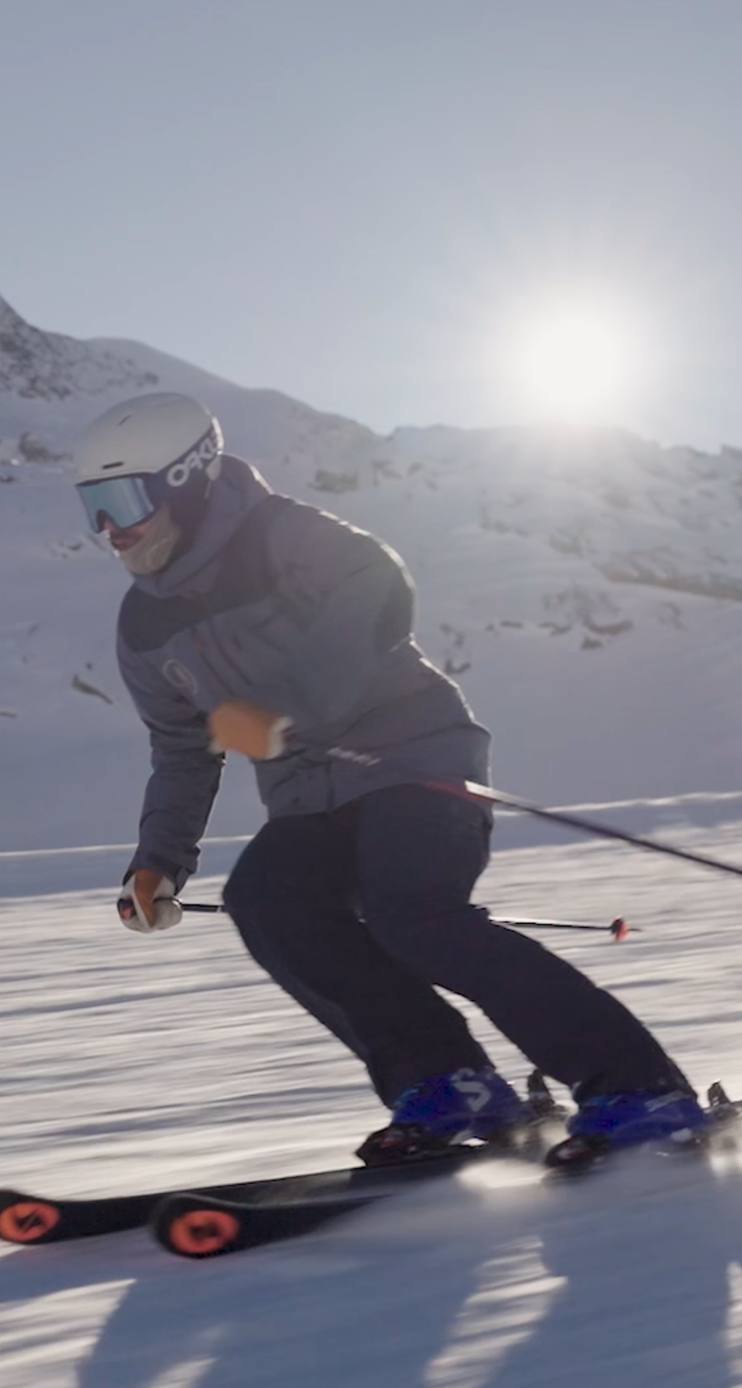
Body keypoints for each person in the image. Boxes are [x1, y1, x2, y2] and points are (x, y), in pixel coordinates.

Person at [73, 391, 706, 1170]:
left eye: (122, 502)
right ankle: (445, 1081)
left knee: (416, 917)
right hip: (307, 797)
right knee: (267, 902)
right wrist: (159, 862)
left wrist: (289, 710)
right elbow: (182, 748)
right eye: (91, 508)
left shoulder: (283, 536)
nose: (109, 529)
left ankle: (638, 1086)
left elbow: (379, 591)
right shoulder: (142, 626)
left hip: (413, 761)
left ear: (185, 479)